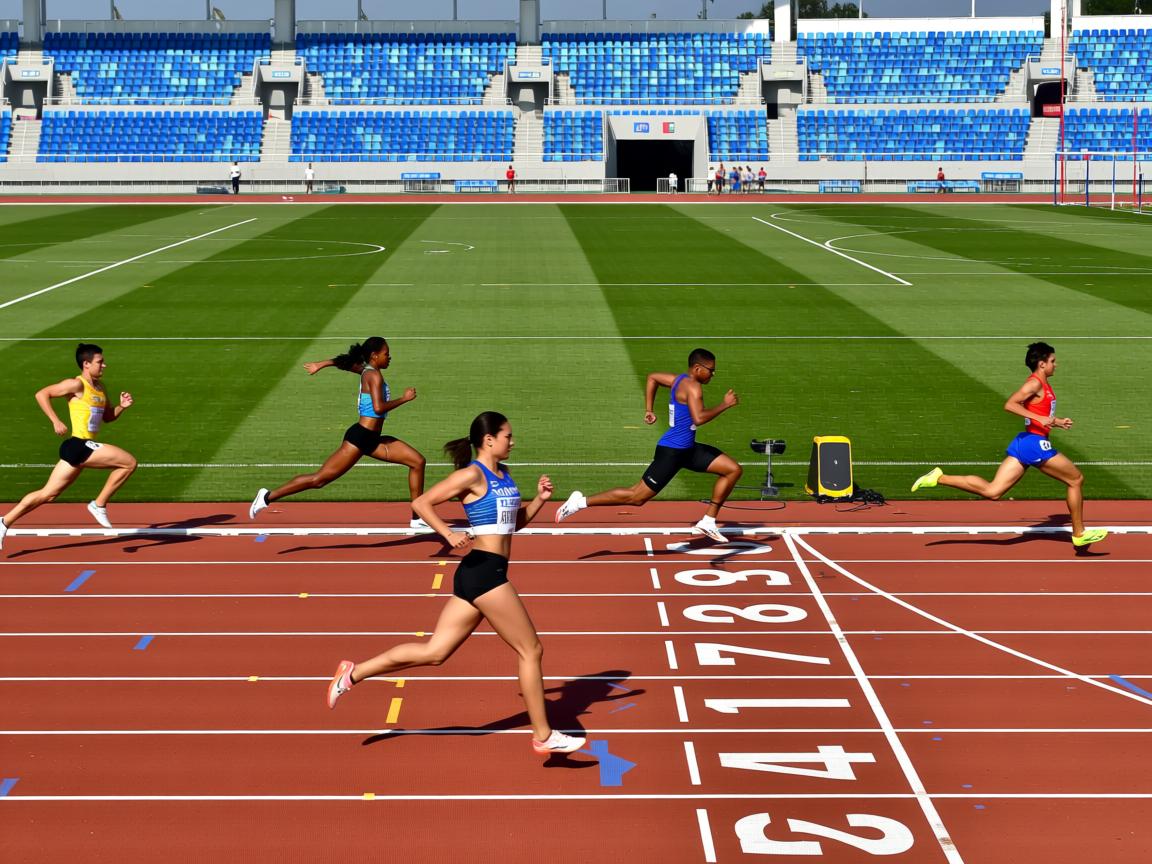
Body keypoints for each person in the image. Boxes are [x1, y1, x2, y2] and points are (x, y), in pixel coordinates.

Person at [326, 411, 586, 756]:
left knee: (435, 653)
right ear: (489, 439)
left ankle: (353, 673)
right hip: (484, 572)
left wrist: (538, 500)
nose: (513, 441)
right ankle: (542, 734)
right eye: (508, 435)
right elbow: (422, 502)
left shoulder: (504, 475)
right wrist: (448, 534)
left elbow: (512, 527)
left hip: (481, 571)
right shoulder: (471, 475)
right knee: (531, 650)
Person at [911, 341, 1108, 549]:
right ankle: (1079, 534)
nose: (1055, 365)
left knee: (993, 491)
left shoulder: (1043, 385)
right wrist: (1039, 419)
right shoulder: (1034, 383)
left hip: (1025, 443)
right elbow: (1010, 405)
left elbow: (1039, 412)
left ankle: (938, 477)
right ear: (1041, 364)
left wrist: (1056, 421)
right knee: (1076, 479)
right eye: (1052, 361)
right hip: (1034, 443)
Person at [555, 348, 742, 543]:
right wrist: (724, 404)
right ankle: (579, 502)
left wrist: (649, 409)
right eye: (710, 370)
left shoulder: (677, 380)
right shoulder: (693, 387)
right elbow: (699, 417)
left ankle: (708, 521)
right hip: (672, 452)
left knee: (733, 470)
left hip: (688, 449)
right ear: (697, 368)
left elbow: (653, 377)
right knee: (636, 497)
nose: (713, 374)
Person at [249, 337, 428, 529]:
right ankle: (267, 496)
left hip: (373, 439)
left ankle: (417, 518)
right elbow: (378, 408)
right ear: (375, 356)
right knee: (319, 480)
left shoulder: (367, 370)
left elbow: (344, 362)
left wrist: (322, 364)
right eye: (386, 354)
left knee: (417, 461)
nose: (389, 357)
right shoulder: (373, 376)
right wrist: (405, 398)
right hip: (360, 438)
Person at [0, 343, 137, 551]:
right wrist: (55, 421)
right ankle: (98, 504)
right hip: (79, 444)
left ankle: (4, 522)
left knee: (48, 494)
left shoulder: (100, 388)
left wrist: (121, 407)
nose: (104, 366)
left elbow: (107, 417)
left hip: (80, 449)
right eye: (100, 362)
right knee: (129, 463)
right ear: (86, 364)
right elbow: (41, 394)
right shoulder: (76, 384)